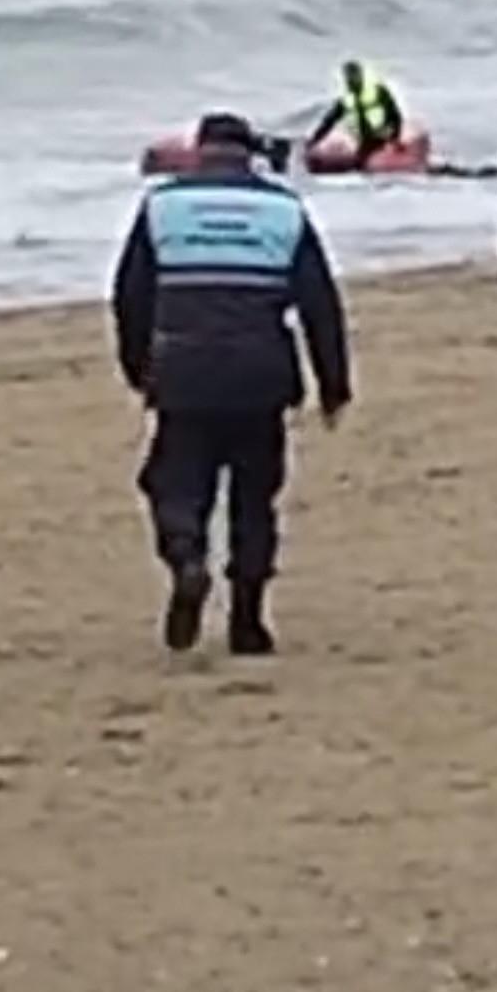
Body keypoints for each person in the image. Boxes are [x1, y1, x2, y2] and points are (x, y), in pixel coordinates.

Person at [112, 112, 351, 656]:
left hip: (185, 370)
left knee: (172, 484)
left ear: (199, 150)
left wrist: (138, 366)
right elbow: (320, 304)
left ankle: (186, 557)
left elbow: (130, 296)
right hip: (261, 374)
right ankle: (248, 620)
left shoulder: (162, 206)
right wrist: (333, 385)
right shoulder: (285, 209)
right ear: (252, 154)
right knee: (255, 500)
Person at [308, 61, 404, 164]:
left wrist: (395, 138)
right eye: (348, 76)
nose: (351, 79)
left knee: (362, 157)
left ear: (361, 75)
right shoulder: (347, 99)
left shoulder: (378, 91)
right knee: (356, 154)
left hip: (383, 133)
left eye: (354, 75)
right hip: (364, 137)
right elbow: (329, 122)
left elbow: (395, 115)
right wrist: (314, 140)